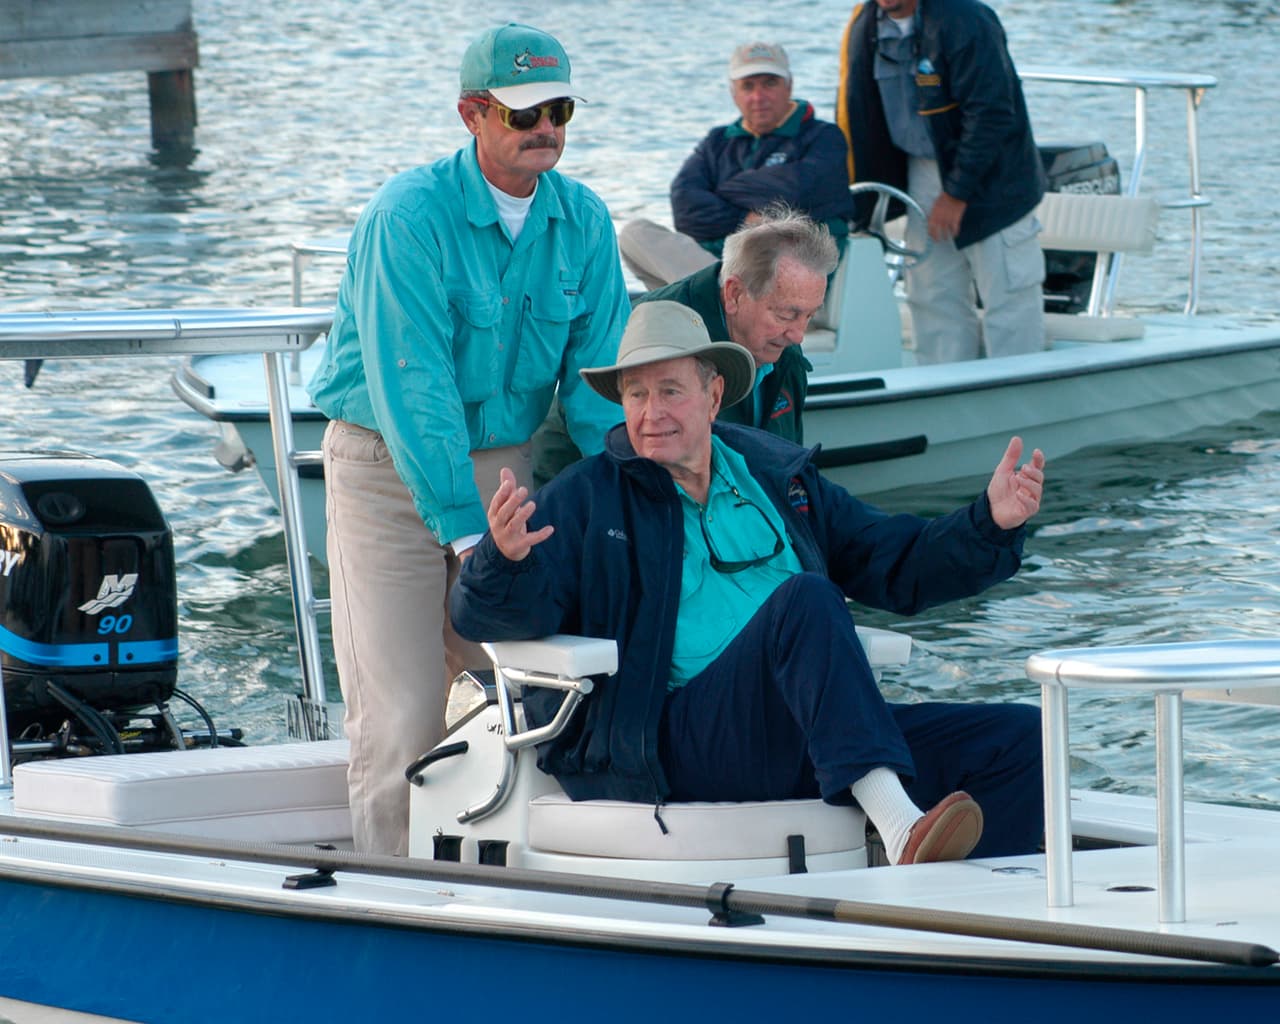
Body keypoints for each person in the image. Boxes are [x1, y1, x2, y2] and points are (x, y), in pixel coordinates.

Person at [452, 300, 1047, 864]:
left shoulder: (776, 478)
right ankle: (897, 826)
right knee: (808, 600)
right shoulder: (586, 499)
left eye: (669, 391)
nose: (651, 413)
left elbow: (897, 562)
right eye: (635, 394)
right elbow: (488, 619)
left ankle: (987, 928)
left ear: (713, 396)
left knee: (1021, 742)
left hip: (813, 727)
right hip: (673, 740)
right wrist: (503, 560)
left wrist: (989, 523)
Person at [306, 23, 630, 856]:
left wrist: (626, 503)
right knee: (403, 712)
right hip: (386, 466)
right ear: (471, 114)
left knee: (520, 696)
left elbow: (599, 391)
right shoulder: (406, 216)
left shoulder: (585, 221)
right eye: (524, 114)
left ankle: (499, 887)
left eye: (558, 109)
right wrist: (464, 531)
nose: (545, 128)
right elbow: (414, 389)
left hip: (505, 470)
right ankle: (387, 898)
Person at [837, 0, 1047, 364]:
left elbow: (992, 113)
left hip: (994, 175)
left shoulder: (967, 18)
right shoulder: (865, 23)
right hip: (920, 169)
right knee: (931, 293)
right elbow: (854, 113)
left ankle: (1018, 391)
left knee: (1007, 294)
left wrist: (956, 193)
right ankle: (944, 387)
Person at [619, 41, 854, 291]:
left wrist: (719, 194)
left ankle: (714, 302)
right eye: (748, 86)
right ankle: (717, 302)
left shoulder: (824, 137)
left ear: (789, 86)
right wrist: (744, 217)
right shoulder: (717, 142)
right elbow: (685, 207)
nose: (758, 96)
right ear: (734, 94)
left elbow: (796, 189)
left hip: (783, 273)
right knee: (635, 234)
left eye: (769, 83)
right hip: (720, 263)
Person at [638, 205, 835, 442]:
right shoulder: (653, 341)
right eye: (785, 315)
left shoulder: (781, 341)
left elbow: (791, 462)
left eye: (809, 316)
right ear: (734, 294)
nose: (798, 336)